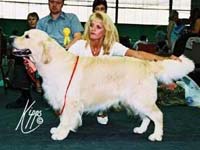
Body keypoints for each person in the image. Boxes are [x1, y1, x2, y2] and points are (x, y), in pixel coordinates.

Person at [68, 12, 179, 125]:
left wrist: (165, 59)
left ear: (106, 30)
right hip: (81, 86)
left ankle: (103, 108)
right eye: (91, 25)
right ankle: (75, 110)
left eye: (98, 27)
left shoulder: (112, 46)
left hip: (105, 86)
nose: (93, 29)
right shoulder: (79, 45)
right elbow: (64, 66)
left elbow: (137, 55)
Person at [6, 12, 40, 109]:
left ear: (38, 20)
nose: (31, 21)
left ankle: (26, 95)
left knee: (21, 63)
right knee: (17, 60)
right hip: (30, 58)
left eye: (33, 19)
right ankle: (25, 95)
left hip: (39, 59)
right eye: (29, 19)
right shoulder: (27, 33)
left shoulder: (40, 32)